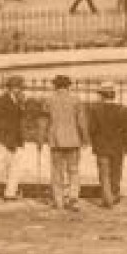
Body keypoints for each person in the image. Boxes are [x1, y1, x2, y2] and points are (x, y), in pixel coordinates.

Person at [41, 74, 90, 212]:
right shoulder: (76, 100)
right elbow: (82, 122)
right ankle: (73, 198)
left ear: (55, 86)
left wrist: (40, 138)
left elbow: (43, 121)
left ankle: (58, 200)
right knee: (73, 170)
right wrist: (86, 138)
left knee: (57, 171)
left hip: (56, 140)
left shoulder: (49, 100)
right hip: (73, 140)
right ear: (68, 86)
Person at [87, 83, 127, 208]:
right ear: (114, 96)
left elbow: (91, 129)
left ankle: (107, 199)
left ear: (102, 96)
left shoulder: (95, 110)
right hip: (118, 147)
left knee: (104, 173)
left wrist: (92, 140)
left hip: (101, 146)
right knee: (116, 172)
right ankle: (114, 195)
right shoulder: (124, 110)